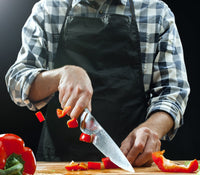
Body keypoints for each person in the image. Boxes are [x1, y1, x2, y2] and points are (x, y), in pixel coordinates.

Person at [5, 0, 190, 166]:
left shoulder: (156, 13)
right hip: (58, 167)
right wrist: (62, 74)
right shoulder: (48, 9)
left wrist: (152, 128)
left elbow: (173, 91)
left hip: (132, 160)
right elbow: (17, 80)